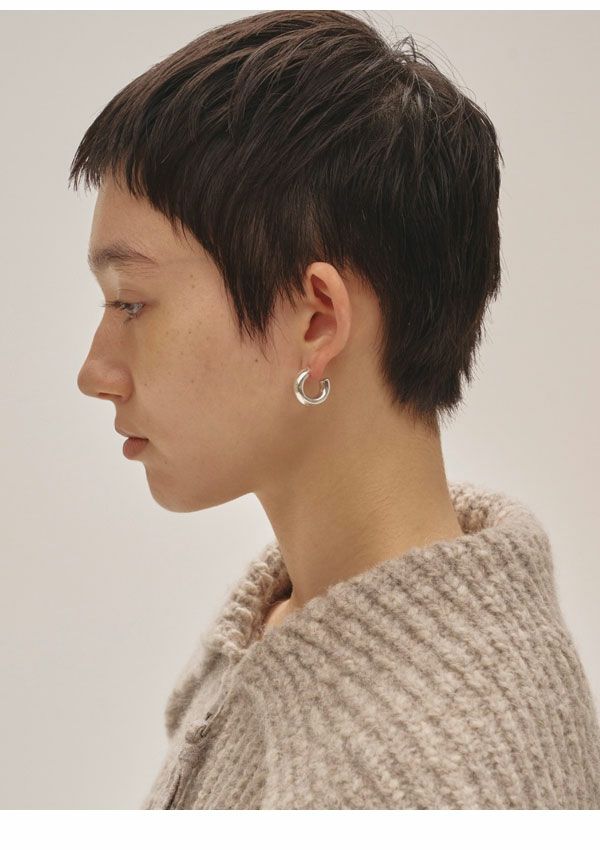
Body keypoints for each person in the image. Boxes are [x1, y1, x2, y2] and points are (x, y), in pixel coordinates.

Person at [71, 10, 600, 809]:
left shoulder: (433, 779)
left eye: (132, 303)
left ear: (316, 322)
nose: (96, 373)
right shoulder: (290, 620)